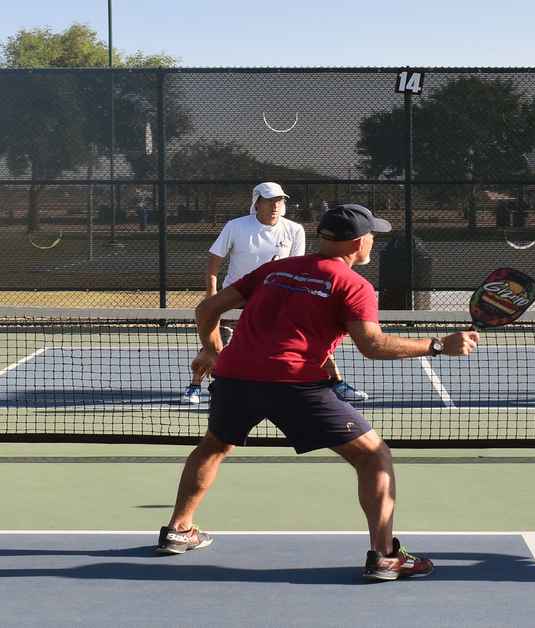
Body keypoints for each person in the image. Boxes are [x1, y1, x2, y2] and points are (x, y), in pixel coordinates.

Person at [156, 204, 479, 580]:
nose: (374, 240)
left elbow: (207, 308)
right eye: (372, 234)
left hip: (235, 378)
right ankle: (386, 555)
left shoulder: (277, 269)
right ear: (359, 242)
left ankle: (179, 529)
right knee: (374, 458)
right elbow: (372, 346)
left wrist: (212, 350)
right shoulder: (354, 285)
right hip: (295, 385)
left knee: (214, 445)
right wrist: (438, 345)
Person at [182, 182, 368, 405]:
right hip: (236, 296)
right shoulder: (236, 226)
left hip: (275, 299)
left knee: (308, 340)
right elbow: (213, 262)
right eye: (270, 200)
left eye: (279, 200)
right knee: (213, 343)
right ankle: (194, 386)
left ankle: (336, 383)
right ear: (257, 202)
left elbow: (299, 267)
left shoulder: (294, 229)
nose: (276, 205)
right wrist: (212, 296)